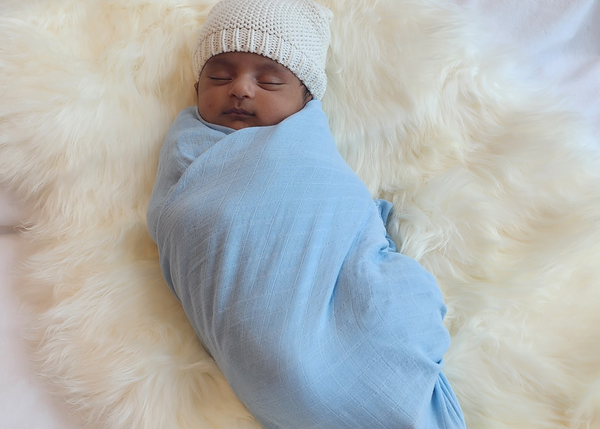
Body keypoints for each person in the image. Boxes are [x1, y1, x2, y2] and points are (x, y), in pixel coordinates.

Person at [147, 0, 467, 427]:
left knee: (391, 312)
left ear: (305, 98)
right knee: (287, 371)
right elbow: (181, 220)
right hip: (263, 359)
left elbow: (331, 203)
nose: (240, 89)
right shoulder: (188, 149)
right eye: (219, 75)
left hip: (348, 321)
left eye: (270, 80)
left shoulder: (306, 148)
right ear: (196, 88)